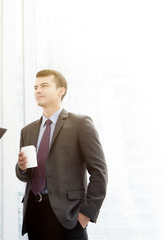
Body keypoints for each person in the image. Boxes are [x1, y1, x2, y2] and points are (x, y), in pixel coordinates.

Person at [16, 69, 108, 240]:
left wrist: (85, 215)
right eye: (35, 87)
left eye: (44, 86)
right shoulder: (27, 131)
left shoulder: (81, 124)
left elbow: (99, 171)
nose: (38, 90)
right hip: (35, 215)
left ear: (61, 91)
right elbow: (24, 175)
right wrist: (21, 168)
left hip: (69, 217)